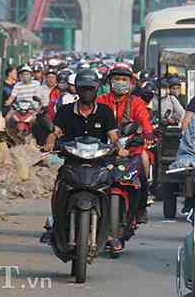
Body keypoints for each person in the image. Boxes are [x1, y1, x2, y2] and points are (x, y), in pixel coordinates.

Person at [43, 69, 129, 253]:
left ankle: (107, 234)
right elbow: (56, 131)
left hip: (98, 164)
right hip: (72, 162)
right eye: (83, 89)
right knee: (59, 186)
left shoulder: (105, 112)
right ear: (78, 90)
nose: (87, 92)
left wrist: (118, 147)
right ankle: (55, 224)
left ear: (96, 89)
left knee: (110, 189)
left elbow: (113, 136)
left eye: (91, 89)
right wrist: (51, 139)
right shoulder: (65, 111)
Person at [97, 62, 155, 224]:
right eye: (117, 78)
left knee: (144, 160)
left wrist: (148, 132)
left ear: (130, 83)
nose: (120, 82)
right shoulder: (101, 100)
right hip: (103, 147)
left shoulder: (136, 102)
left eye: (124, 79)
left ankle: (141, 207)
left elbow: (144, 120)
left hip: (131, 147)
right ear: (110, 81)